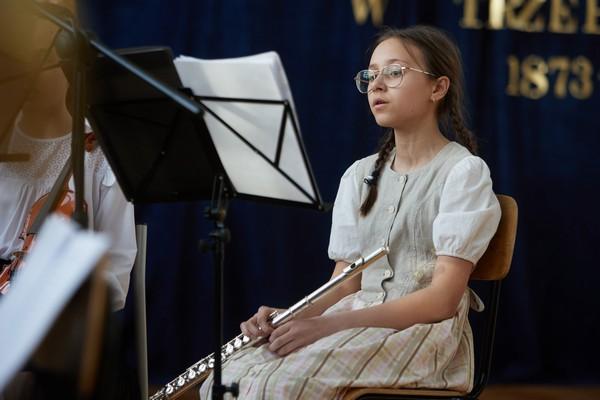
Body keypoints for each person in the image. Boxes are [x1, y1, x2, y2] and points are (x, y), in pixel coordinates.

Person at [199, 25, 502, 398]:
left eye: (394, 72)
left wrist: (330, 326)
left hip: (419, 334)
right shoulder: (359, 175)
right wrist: (292, 316)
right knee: (229, 377)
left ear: (438, 88)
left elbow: (441, 300)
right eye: (371, 76)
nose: (377, 85)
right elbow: (345, 284)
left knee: (280, 385)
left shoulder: (463, 172)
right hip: (352, 320)